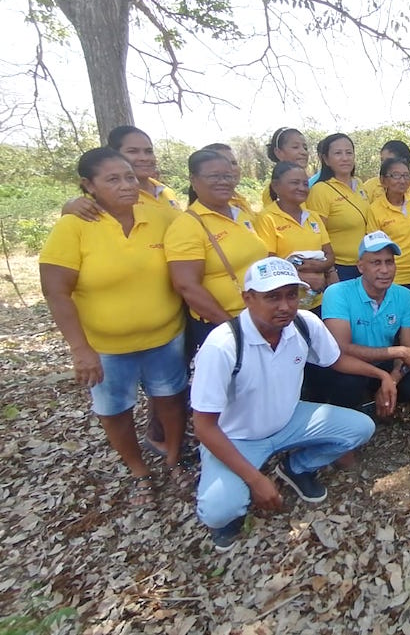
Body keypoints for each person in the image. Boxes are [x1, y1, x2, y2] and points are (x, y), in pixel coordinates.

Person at [191, 257, 387, 552]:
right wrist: (255, 479)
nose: (284, 305)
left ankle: (296, 467)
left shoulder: (305, 324)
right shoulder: (223, 345)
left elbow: (335, 360)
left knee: (360, 427)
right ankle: (232, 508)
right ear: (248, 298)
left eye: (291, 295)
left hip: (289, 420)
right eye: (272, 297)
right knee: (219, 511)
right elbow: (204, 427)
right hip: (237, 436)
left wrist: (382, 375)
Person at [39, 148, 188, 507]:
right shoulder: (74, 226)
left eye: (129, 177)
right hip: (106, 347)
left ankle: (173, 460)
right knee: (115, 410)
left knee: (170, 399)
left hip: (164, 337)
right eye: (112, 179)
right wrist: (80, 348)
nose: (126, 185)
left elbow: (196, 225)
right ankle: (139, 472)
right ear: (88, 185)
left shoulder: (159, 218)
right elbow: (56, 290)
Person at [164, 149, 268, 353]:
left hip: (260, 318)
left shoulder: (241, 215)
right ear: (194, 180)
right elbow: (187, 286)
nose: (223, 182)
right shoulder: (187, 226)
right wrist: (232, 328)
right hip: (222, 325)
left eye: (228, 176)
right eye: (214, 176)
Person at [319, 232, 410, 414]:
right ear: (360, 267)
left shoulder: (405, 296)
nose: (385, 269)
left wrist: (392, 380)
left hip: (385, 362)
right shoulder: (338, 293)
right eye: (376, 262)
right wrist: (397, 354)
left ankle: (382, 394)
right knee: (347, 387)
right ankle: (357, 407)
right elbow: (341, 348)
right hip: (349, 363)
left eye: (389, 262)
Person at [255, 161, 338, 313]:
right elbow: (268, 263)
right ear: (275, 186)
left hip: (317, 298)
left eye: (305, 183)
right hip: (285, 303)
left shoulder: (313, 216)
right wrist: (302, 278)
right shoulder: (267, 218)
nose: (302, 188)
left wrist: (320, 267)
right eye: (295, 183)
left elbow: (330, 254)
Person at [62, 126, 181, 220]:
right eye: (133, 151)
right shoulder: (109, 196)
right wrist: (69, 205)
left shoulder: (166, 192)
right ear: (114, 154)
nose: (144, 158)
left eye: (148, 151)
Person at [366, 157, 410, 311]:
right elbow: (375, 247)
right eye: (396, 175)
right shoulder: (375, 209)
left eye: (406, 175)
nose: (402, 180)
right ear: (383, 180)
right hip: (393, 275)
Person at [306, 133, 371, 281]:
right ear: (326, 159)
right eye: (338, 153)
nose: (345, 158)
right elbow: (317, 236)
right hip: (340, 268)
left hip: (365, 265)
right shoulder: (320, 190)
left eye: (349, 153)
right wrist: (330, 270)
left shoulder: (359, 184)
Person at [264, 127, 315, 205]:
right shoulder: (272, 191)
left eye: (305, 148)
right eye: (295, 147)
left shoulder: (315, 184)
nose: (303, 152)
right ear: (278, 152)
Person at [204, 142, 255, 215]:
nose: (231, 168)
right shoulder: (212, 205)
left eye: (234, 163)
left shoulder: (239, 199)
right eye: (223, 163)